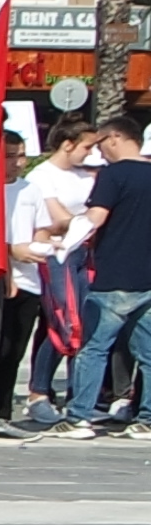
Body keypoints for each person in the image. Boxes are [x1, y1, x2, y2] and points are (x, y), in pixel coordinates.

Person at [59, 122, 151, 435]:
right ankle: (147, 419)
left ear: (116, 137)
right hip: (148, 277)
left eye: (101, 144)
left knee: (95, 348)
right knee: (149, 353)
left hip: (115, 275)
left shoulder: (113, 175)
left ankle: (79, 416)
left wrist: (66, 241)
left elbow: (96, 217)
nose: (99, 151)